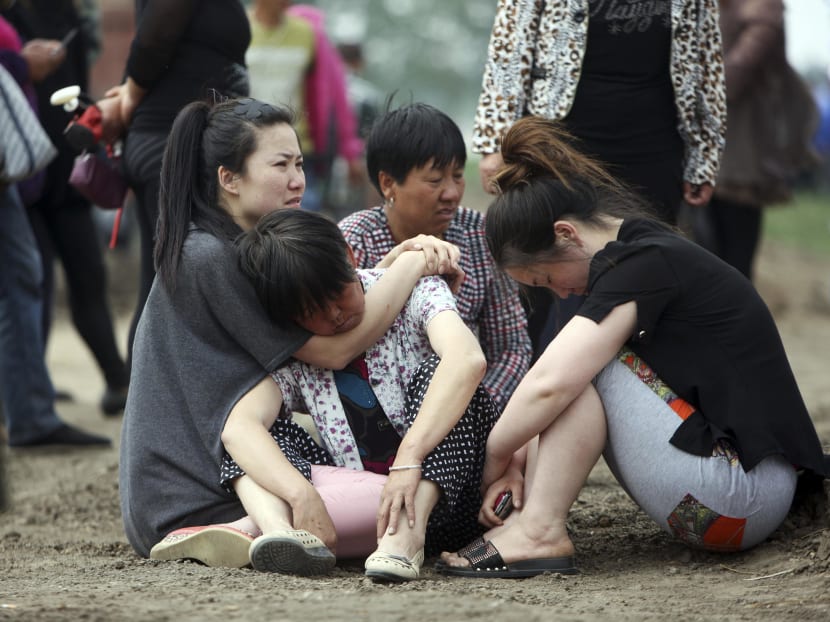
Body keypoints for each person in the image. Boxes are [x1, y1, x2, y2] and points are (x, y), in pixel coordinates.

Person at [437, 116, 829, 578]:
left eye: (545, 279)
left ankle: (538, 530)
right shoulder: (644, 250)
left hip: (738, 500)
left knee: (582, 368)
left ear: (566, 234)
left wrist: (495, 458)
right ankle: (530, 522)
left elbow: (550, 384)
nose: (560, 294)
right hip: (739, 498)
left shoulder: (642, 264)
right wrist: (518, 461)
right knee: (574, 366)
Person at [119, 97, 462, 567]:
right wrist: (415, 263)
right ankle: (249, 530)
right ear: (229, 179)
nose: (298, 179)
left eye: (299, 163)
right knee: (404, 500)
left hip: (219, 478)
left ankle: (258, 532)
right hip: (200, 491)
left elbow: (346, 305)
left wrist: (393, 267)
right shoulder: (213, 258)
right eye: (281, 164)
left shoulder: (234, 248)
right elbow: (336, 347)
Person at [210, 208, 499, 581]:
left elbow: (467, 359)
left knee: (443, 378)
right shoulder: (300, 353)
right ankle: (280, 531)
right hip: (364, 501)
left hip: (449, 499)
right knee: (261, 434)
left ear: (349, 256)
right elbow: (240, 427)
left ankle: (404, 539)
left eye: (337, 294)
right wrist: (302, 495)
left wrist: (409, 458)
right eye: (311, 311)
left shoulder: (419, 291)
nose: (334, 315)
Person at [472, 0, 728, 357]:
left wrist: (703, 153)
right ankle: (536, 386)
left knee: (642, 272)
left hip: (653, 138)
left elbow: (706, 55)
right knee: (545, 267)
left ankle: (634, 393)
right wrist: (495, 138)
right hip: (560, 136)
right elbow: (510, 40)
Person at [339, 103, 532, 412]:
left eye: (457, 176)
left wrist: (475, 410)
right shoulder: (354, 240)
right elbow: (340, 342)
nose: (451, 192)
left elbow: (510, 349)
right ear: (388, 183)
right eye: (434, 180)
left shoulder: (480, 234)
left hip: (466, 406)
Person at [97, 0, 252, 367]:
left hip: (176, 142)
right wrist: (131, 94)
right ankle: (152, 405)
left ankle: (148, 400)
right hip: (173, 147)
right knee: (174, 281)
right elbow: (154, 38)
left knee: (164, 279)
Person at [4, 0, 130, 415]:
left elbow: (77, 81)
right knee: (31, 286)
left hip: (70, 170)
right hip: (23, 172)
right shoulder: (12, 16)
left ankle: (117, 382)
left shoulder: (71, 15)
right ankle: (29, 390)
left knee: (88, 278)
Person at [695, 0, 821, 280]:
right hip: (701, 144)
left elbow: (735, 75)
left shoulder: (762, 9)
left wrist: (688, 88)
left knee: (734, 259)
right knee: (704, 252)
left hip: (740, 150)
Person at [246, 1, 364, 215]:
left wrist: (349, 149)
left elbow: (335, 93)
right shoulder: (240, 27)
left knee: (301, 216)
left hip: (297, 144)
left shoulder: (307, 33)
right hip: (247, 143)